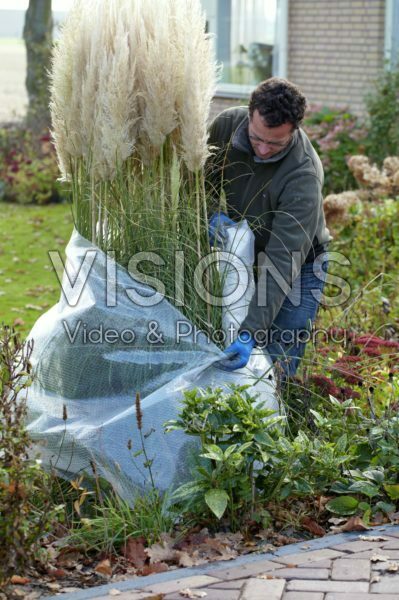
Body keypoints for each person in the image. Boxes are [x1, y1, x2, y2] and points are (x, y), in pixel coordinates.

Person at [206, 77, 332, 377]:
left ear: (295, 129)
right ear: (249, 115)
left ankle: (279, 414)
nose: (262, 150)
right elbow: (200, 186)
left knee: (277, 360)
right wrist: (209, 215)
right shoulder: (226, 126)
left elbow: (282, 260)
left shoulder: (303, 175)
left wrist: (250, 333)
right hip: (243, 251)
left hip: (299, 264)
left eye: (275, 143)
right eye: (256, 138)